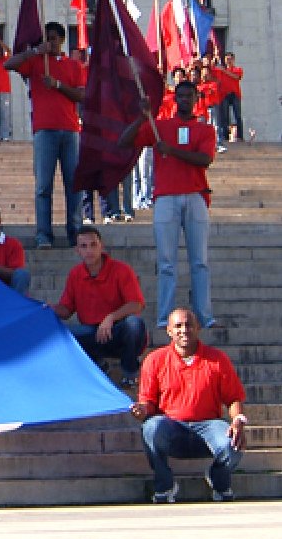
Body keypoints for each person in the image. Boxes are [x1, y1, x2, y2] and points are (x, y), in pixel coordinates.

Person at [118, 77, 218, 329]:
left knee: (200, 261)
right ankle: (165, 316)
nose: (184, 100)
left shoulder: (205, 129)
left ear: (197, 100)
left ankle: (204, 316)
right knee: (166, 263)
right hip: (165, 197)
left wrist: (171, 151)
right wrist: (142, 117)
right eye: (180, 96)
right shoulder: (159, 126)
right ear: (175, 100)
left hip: (195, 196)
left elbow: (204, 159)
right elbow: (124, 141)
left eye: (189, 96)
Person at [131, 307, 247, 503]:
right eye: (178, 326)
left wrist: (238, 420)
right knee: (151, 427)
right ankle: (165, 485)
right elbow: (148, 402)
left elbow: (233, 398)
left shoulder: (217, 359)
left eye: (189, 325)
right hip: (172, 427)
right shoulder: (154, 360)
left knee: (232, 442)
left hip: (209, 426)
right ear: (169, 331)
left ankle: (218, 479)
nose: (184, 330)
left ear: (198, 328)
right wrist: (142, 410)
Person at [5, 21, 87, 249]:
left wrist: (58, 85)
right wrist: (33, 51)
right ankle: (44, 234)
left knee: (74, 185)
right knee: (43, 186)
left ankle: (75, 233)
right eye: (46, 39)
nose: (49, 43)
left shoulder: (73, 66)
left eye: (53, 38)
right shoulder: (35, 63)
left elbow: (81, 96)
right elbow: (8, 64)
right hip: (44, 130)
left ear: (61, 40)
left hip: (70, 130)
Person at [52, 225, 147, 389]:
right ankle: (98, 365)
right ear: (77, 250)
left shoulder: (121, 270)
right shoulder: (75, 274)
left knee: (135, 324)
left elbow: (136, 304)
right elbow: (66, 310)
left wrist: (110, 318)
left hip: (119, 330)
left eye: (93, 245)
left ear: (101, 246)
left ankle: (130, 373)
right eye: (84, 246)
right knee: (63, 334)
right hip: (92, 332)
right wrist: (47, 308)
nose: (89, 250)